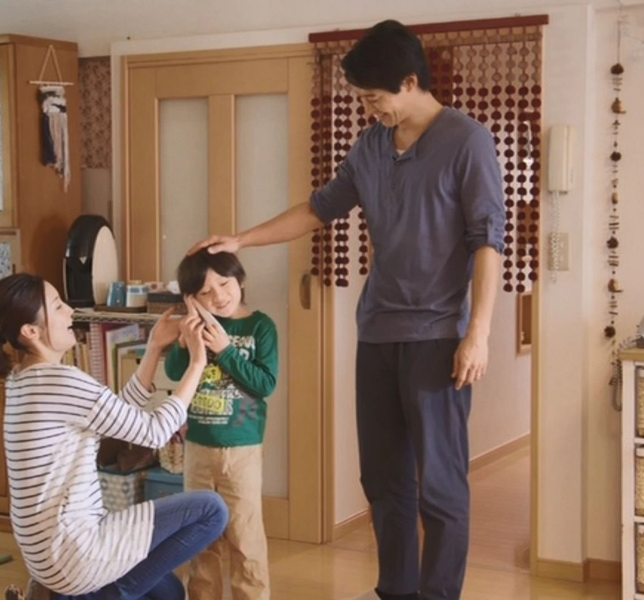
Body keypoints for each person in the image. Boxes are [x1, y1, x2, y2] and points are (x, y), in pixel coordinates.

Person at [188, 19, 505, 600]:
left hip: (438, 337)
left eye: (373, 97)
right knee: (382, 479)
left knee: (439, 487)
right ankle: (396, 591)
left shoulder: (468, 142)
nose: (368, 109)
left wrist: (478, 333)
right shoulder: (372, 146)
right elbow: (319, 208)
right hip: (377, 333)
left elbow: (488, 242)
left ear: (409, 82)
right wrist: (241, 240)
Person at [0, 273, 228, 599]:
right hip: (73, 553)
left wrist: (154, 347)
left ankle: (68, 594)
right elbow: (155, 432)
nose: (70, 311)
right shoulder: (60, 380)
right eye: (57, 306)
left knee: (168, 592)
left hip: (48, 556)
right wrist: (197, 363)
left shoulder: (21, 379)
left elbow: (117, 417)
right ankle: (96, 595)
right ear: (31, 331)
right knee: (212, 510)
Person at [164, 251, 278, 600]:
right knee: (200, 538)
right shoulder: (196, 327)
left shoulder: (260, 326)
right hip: (199, 447)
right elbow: (174, 373)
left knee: (245, 536)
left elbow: (265, 384)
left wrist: (226, 350)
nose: (218, 296)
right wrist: (185, 341)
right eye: (204, 292)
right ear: (192, 299)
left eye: (224, 284)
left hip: (241, 449)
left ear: (240, 280)